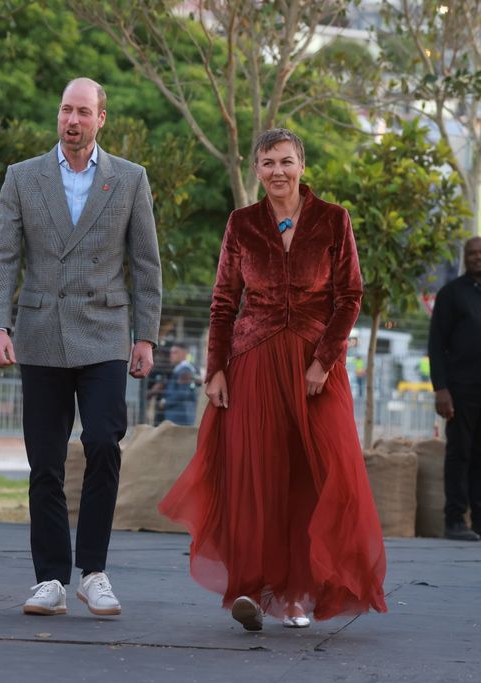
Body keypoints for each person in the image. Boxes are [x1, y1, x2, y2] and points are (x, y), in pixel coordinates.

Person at [160, 128, 387, 631]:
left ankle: (301, 594)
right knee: (258, 480)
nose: (277, 171)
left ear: (302, 166)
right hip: (254, 365)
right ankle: (255, 590)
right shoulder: (241, 224)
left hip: (315, 368)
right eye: (267, 163)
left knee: (321, 475)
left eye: (286, 161)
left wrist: (323, 361)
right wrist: (216, 368)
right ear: (256, 169)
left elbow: (350, 297)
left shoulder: (333, 220)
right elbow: (223, 303)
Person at [0, 77, 161, 617]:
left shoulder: (130, 180)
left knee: (105, 443)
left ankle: (95, 572)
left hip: (105, 333)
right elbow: (1, 254)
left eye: (84, 111)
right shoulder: (23, 177)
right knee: (45, 461)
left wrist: (146, 335)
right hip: (39, 335)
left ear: (101, 118)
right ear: (58, 116)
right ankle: (51, 580)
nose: (73, 120)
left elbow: (146, 263)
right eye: (66, 110)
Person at [427, 236, 481, 541]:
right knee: (460, 454)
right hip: (461, 390)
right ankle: (455, 521)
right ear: (465, 257)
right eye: (472, 253)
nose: (477, 257)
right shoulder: (451, 294)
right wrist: (441, 389)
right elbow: (436, 344)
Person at [162, 342, 198, 425]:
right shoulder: (180, 369)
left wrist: (166, 402)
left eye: (175, 352)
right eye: (171, 352)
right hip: (178, 414)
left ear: (184, 354)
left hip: (180, 416)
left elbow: (183, 393)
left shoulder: (185, 370)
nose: (171, 355)